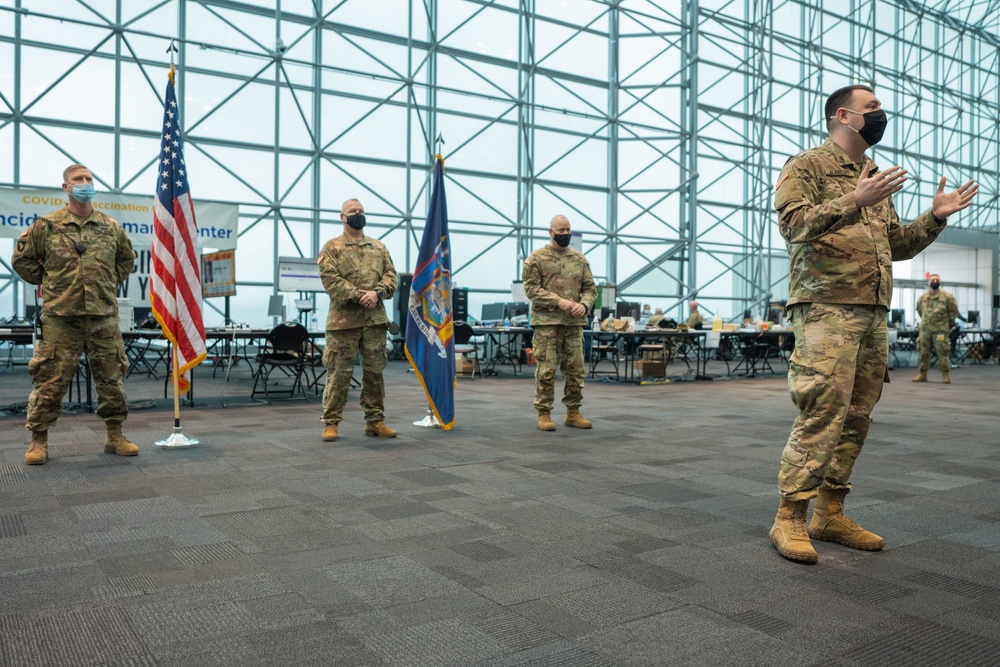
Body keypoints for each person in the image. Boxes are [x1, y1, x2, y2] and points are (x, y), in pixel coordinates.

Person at [770, 84, 978, 563]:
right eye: (873, 109)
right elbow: (793, 226)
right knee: (822, 410)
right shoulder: (807, 166)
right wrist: (854, 200)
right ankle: (789, 517)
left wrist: (934, 218)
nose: (882, 115)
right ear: (844, 115)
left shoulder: (873, 177)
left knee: (858, 415)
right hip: (826, 309)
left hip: (871, 313)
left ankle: (830, 512)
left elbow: (896, 245)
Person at [11, 164, 138, 465]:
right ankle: (38, 439)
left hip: (103, 316)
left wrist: (104, 283)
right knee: (50, 380)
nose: (85, 183)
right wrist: (51, 282)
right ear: (66, 187)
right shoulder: (47, 225)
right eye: (78, 179)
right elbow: (22, 261)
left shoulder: (111, 227)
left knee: (111, 378)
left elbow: (126, 262)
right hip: (60, 317)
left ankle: (115, 435)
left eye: (89, 179)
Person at [318, 198, 398, 441]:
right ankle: (331, 423)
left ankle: (375, 421)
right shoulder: (331, 247)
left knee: (375, 373)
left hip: (374, 321)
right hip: (344, 323)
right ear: (342, 217)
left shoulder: (378, 247)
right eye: (353, 211)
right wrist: (360, 296)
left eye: (361, 211)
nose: (358, 214)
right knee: (339, 374)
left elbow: (391, 276)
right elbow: (329, 279)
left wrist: (378, 293)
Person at [523, 214, 597, 431]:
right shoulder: (537, 258)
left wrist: (584, 305)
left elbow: (590, 289)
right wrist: (559, 302)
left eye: (567, 230)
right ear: (551, 232)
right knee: (546, 370)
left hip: (574, 324)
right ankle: (544, 413)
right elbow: (531, 289)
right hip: (547, 324)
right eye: (561, 230)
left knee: (575, 370)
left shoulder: (579, 259)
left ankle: (573, 413)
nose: (565, 234)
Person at [912, 273, 959, 383]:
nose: (935, 282)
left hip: (940, 331)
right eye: (932, 280)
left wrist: (948, 324)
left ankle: (945, 374)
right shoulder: (922, 298)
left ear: (940, 282)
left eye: (937, 280)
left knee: (942, 352)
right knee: (923, 352)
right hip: (925, 330)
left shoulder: (947, 297)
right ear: (928, 282)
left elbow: (953, 312)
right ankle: (922, 374)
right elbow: (919, 311)